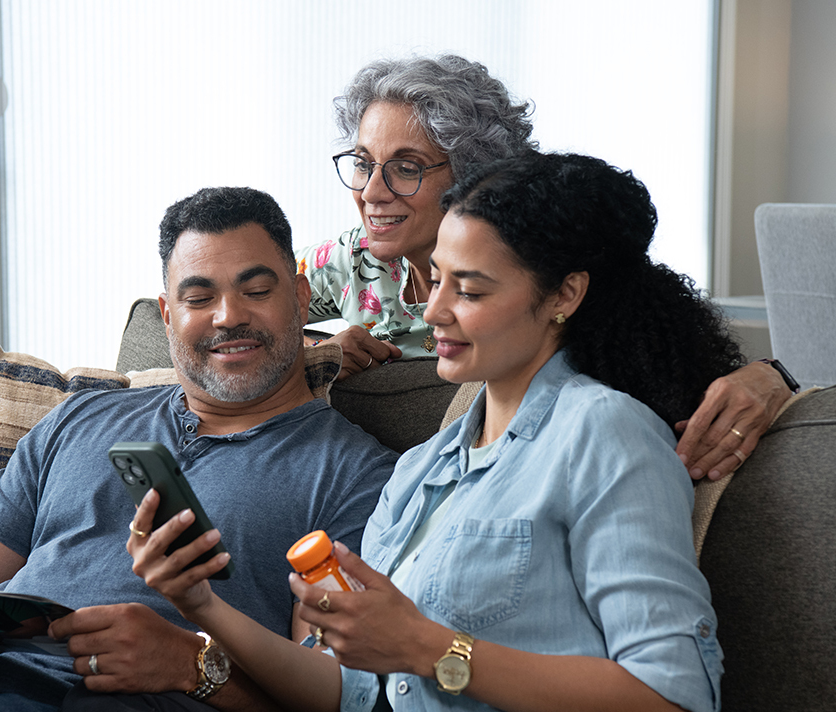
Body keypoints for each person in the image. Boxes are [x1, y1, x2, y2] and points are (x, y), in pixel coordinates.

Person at [130, 153, 737, 712]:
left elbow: (671, 697)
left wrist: (428, 647)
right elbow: (349, 694)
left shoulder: (605, 434)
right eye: (436, 281)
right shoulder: (422, 467)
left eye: (469, 290)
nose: (434, 311)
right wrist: (201, 605)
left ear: (564, 295)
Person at [0, 187, 399, 712]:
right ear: (169, 315)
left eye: (256, 289)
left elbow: (338, 701)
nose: (228, 315)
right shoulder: (84, 416)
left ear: (299, 292)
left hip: (112, 704)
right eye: (200, 297)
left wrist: (193, 665)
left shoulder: (352, 476)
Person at [298, 54, 794, 482]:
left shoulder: (545, 277)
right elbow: (245, 315)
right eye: (363, 162)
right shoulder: (351, 261)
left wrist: (773, 376)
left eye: (407, 167)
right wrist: (317, 350)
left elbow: (658, 345)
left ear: (474, 174)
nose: (370, 191)